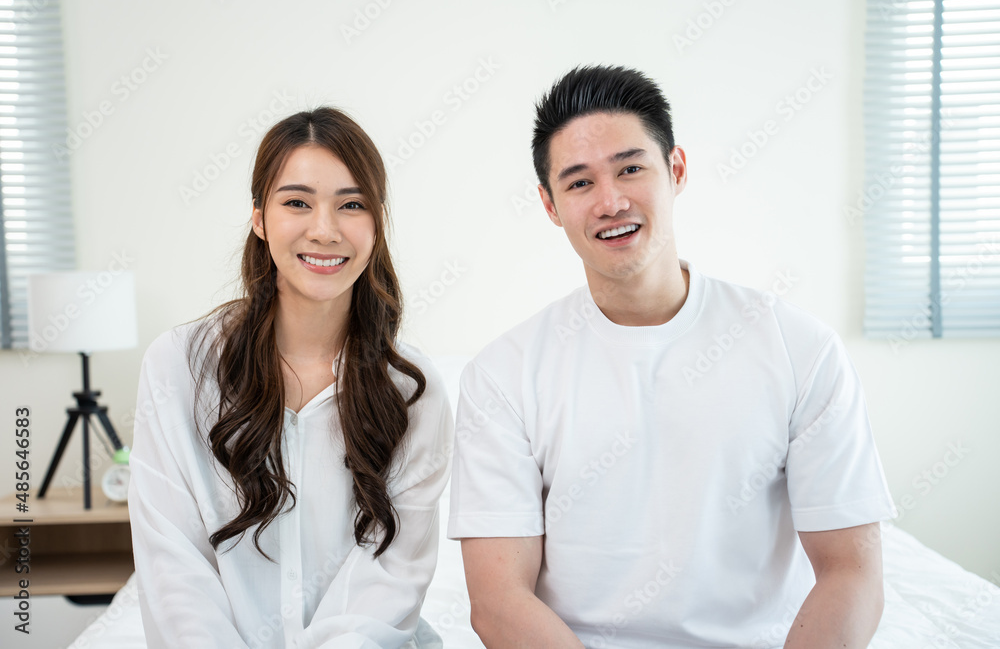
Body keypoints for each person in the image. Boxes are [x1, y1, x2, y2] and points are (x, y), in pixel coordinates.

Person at [448, 66, 896, 649]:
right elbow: (498, 601)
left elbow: (851, 570)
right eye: (579, 183)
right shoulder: (503, 374)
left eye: (631, 168)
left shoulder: (797, 348)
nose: (610, 201)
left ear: (676, 169)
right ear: (550, 205)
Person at [129, 108, 453, 649]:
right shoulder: (178, 367)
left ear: (376, 223)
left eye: (352, 205)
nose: (324, 230)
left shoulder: (412, 392)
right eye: (297, 203)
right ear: (259, 218)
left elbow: (391, 576)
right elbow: (173, 565)